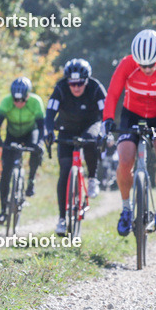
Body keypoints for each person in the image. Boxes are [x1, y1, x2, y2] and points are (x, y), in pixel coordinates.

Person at [102, 29, 156, 235]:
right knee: (124, 159)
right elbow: (113, 95)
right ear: (135, 59)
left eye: (151, 64)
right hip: (132, 114)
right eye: (142, 65)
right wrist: (107, 119)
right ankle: (125, 210)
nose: (147, 68)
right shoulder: (126, 64)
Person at [43, 58, 107, 235]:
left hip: (90, 124)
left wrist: (103, 132)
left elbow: (105, 111)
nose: (76, 87)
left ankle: (92, 178)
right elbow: (50, 112)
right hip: (66, 128)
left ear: (86, 81)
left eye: (80, 83)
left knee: (90, 139)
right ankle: (62, 219)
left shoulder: (95, 88)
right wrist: (48, 130)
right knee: (64, 169)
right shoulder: (61, 88)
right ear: (67, 81)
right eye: (72, 83)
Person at [0, 77, 45, 224]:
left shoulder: (36, 102)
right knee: (5, 173)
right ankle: (3, 211)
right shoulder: (6, 101)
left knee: (36, 149)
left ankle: (31, 181)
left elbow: (42, 127)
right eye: (16, 100)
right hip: (12, 134)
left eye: (23, 100)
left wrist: (40, 142)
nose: (19, 103)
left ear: (28, 96)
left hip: (30, 132)